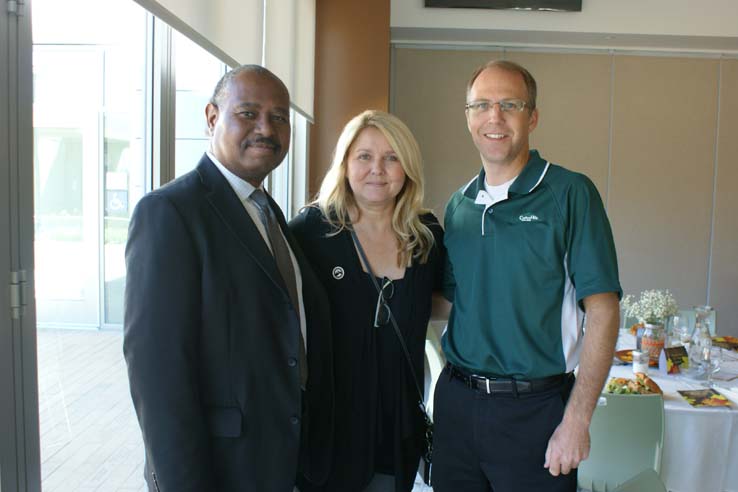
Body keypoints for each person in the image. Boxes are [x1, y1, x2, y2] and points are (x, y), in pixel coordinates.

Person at [123, 65, 333, 492]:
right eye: (248, 113)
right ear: (212, 117)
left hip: (284, 463)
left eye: (278, 117)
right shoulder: (170, 212)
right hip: (221, 472)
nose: (265, 128)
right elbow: (158, 376)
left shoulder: (269, 212)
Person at [433, 60, 622, 492]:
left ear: (532, 116)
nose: (494, 117)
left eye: (509, 105)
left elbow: (604, 310)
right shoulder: (458, 206)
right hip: (457, 405)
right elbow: (449, 300)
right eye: (481, 105)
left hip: (535, 412)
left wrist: (577, 420)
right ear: (467, 117)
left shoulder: (570, 193)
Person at [289, 110, 447, 492]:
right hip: (328, 433)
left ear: (407, 167)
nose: (378, 168)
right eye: (364, 156)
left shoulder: (425, 234)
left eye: (392, 157)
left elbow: (440, 304)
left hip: (397, 431)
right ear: (344, 163)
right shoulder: (310, 230)